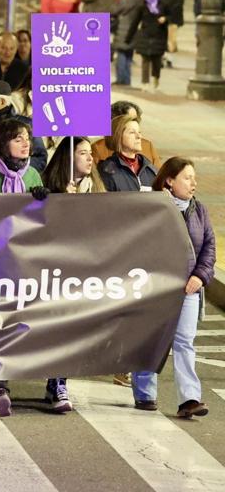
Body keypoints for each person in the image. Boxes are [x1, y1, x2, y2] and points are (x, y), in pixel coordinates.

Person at [0, 119, 56, 416]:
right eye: (18, 138)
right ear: (3, 142)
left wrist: (43, 199)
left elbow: (40, 221)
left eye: (27, 138)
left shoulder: (32, 174)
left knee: (13, 322)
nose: (25, 143)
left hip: (20, 262)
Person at [132, 157, 215, 418]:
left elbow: (209, 247)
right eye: (187, 177)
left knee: (184, 342)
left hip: (188, 288)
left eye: (194, 178)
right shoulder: (153, 207)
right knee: (150, 339)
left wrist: (200, 276)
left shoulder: (198, 209)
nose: (194, 183)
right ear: (169, 180)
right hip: (157, 287)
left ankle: (189, 399)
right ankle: (145, 393)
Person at [98, 114, 159, 192]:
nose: (139, 136)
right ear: (118, 136)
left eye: (139, 132)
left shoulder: (150, 168)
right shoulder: (107, 171)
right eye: (132, 132)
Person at [90, 101, 161, 165]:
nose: (134, 122)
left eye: (135, 119)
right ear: (115, 123)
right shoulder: (98, 149)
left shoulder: (147, 145)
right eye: (128, 120)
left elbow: (159, 176)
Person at [111, 0, 143, 86]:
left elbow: (114, 11)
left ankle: (121, 79)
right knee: (129, 55)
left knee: (121, 53)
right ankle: (127, 79)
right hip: (133, 28)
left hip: (123, 27)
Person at [136, 0, 168, 92]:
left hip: (158, 35)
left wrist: (165, 19)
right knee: (145, 60)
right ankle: (145, 82)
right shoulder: (143, 4)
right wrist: (129, 37)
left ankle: (156, 80)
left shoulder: (162, 4)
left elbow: (169, 16)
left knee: (156, 60)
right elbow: (136, 20)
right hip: (146, 35)